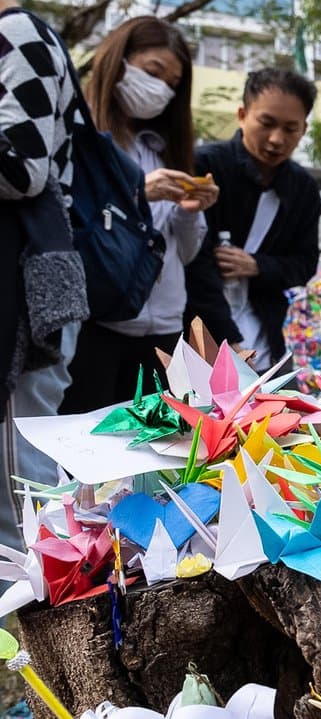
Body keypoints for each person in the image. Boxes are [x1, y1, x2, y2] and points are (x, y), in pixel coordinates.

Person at [60, 16, 219, 414]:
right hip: (97, 321)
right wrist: (138, 193)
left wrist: (189, 209)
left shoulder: (166, 147)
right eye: (153, 72)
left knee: (155, 451)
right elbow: (69, 221)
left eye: (172, 84)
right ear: (119, 60)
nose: (161, 90)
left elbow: (183, 253)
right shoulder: (80, 138)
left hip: (164, 324)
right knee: (88, 445)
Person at [0, 0, 85, 543]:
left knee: (18, 504)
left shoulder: (17, 31)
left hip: (25, 297)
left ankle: (26, 627)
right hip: (27, 289)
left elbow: (20, 167)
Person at [183, 68, 320, 372]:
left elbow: (305, 262)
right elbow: (191, 262)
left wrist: (258, 265)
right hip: (198, 334)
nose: (276, 139)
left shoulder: (304, 189)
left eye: (290, 129)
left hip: (267, 338)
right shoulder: (204, 166)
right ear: (242, 114)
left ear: (304, 129)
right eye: (267, 123)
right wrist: (224, 337)